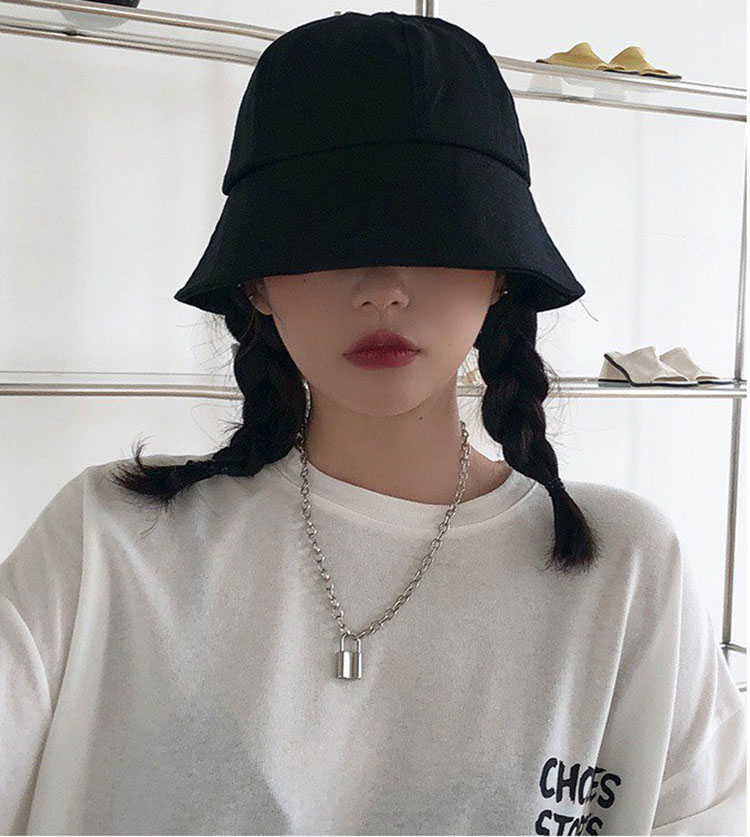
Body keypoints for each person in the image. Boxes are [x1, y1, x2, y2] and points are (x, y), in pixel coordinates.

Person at [1, 11, 745, 836]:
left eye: (434, 232)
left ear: (501, 271)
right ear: (254, 283)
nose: (383, 288)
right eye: (327, 237)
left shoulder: (626, 569)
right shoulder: (107, 542)